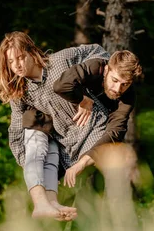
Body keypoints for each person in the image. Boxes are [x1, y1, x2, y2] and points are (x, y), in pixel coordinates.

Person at [0, 31, 111, 221]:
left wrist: (87, 95)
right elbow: (16, 127)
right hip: (68, 150)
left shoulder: (61, 60)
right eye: (10, 61)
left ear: (32, 51)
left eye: (21, 57)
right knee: (74, 216)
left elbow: (98, 52)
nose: (16, 65)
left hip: (95, 131)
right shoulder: (22, 90)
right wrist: (27, 162)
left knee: (97, 204)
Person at [52, 50, 143, 188]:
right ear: (106, 70)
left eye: (125, 84)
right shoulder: (95, 67)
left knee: (83, 179)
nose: (118, 89)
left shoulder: (128, 97)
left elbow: (115, 132)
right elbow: (61, 85)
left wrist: (83, 162)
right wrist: (83, 100)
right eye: (115, 80)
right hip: (58, 126)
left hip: (92, 140)